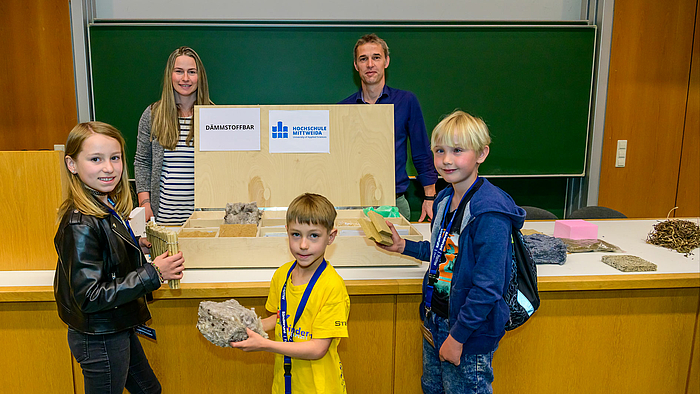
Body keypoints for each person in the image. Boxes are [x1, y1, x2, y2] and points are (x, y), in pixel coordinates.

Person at [377, 111, 525, 394]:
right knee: (432, 388)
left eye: (458, 151)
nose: (446, 160)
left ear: (482, 154)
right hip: (437, 321)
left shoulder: (489, 212)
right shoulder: (444, 199)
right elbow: (442, 252)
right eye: (440, 151)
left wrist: (457, 338)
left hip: (467, 332)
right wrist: (403, 247)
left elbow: (488, 287)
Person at [54, 121, 185, 394]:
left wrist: (134, 246)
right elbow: (90, 296)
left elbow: (104, 257)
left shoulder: (103, 203)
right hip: (100, 337)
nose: (109, 168)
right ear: (72, 164)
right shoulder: (80, 223)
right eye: (95, 159)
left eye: (115, 158)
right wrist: (153, 274)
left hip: (116, 325)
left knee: (148, 390)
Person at [231, 193, 350, 394]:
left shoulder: (333, 287)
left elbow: (317, 349)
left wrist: (265, 345)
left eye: (314, 235)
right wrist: (251, 328)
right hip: (285, 383)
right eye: (296, 234)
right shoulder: (282, 275)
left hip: (319, 388)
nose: (303, 245)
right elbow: (280, 317)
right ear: (286, 232)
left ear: (331, 237)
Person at [339, 33, 438, 221]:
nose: (370, 64)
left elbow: (421, 152)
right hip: (352, 206)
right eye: (363, 59)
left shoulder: (406, 101)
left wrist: (429, 196)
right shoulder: (342, 110)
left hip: (394, 205)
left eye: (376, 57)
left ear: (386, 61)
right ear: (355, 65)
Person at [135, 46, 214, 226]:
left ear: (199, 76)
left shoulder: (213, 116)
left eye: (191, 72)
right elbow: (142, 162)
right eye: (179, 71)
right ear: (170, 75)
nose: (185, 78)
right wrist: (145, 203)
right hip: (163, 218)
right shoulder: (153, 114)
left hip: (202, 222)